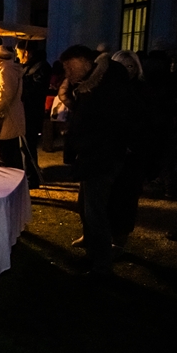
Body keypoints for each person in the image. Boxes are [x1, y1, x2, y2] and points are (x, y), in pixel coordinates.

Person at [59, 45, 130, 277]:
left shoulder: (107, 83)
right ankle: (92, 250)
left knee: (95, 211)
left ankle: (101, 265)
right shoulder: (90, 84)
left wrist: (84, 140)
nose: (68, 73)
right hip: (92, 156)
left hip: (102, 157)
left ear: (84, 61)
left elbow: (108, 122)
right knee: (86, 205)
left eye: (70, 67)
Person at [107, 50, 149, 248]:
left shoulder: (141, 90)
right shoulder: (110, 89)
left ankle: (120, 238)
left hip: (132, 154)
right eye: (123, 66)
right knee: (108, 196)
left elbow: (145, 122)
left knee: (126, 197)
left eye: (131, 66)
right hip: (112, 151)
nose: (128, 70)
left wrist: (133, 144)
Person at [16, 42, 51, 187]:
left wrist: (20, 84)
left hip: (32, 113)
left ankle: (32, 178)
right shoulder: (28, 66)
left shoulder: (41, 67)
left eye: (19, 53)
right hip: (24, 112)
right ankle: (27, 175)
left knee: (28, 146)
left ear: (26, 52)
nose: (18, 56)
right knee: (23, 146)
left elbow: (37, 90)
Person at [0, 45, 26, 170]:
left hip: (7, 119)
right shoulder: (12, 69)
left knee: (6, 156)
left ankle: (9, 179)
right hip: (13, 117)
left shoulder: (6, 72)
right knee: (13, 153)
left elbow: (5, 97)